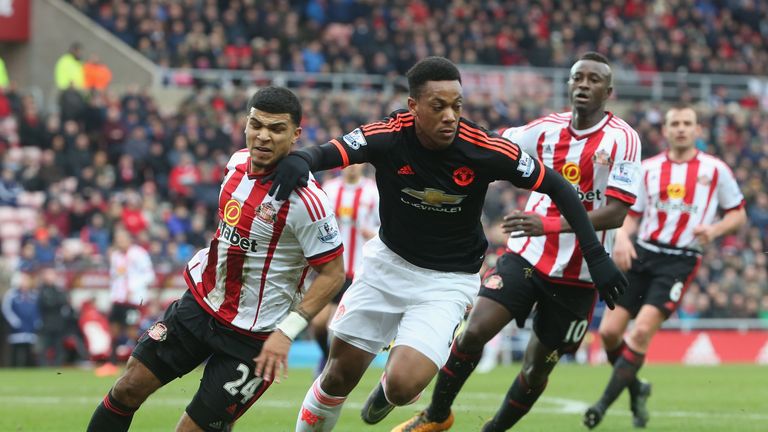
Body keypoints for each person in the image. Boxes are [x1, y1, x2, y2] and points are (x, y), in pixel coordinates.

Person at [263, 56, 628, 432]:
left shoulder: (483, 148)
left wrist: (595, 255)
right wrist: (302, 159)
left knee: (404, 386)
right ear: (414, 107)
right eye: (438, 107)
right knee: (338, 376)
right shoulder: (387, 134)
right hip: (387, 264)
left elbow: (558, 186)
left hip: (448, 280)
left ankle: (390, 390)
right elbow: (332, 151)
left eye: (457, 106)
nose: (450, 116)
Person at [394, 52, 642, 432]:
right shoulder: (543, 129)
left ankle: (493, 429)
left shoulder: (623, 139)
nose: (584, 85)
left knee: (535, 365)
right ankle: (436, 415)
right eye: (578, 78)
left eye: (594, 80)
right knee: (474, 330)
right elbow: (489, 144)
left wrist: (548, 223)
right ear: (569, 83)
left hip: (579, 275)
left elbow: (616, 213)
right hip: (527, 255)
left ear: (608, 91)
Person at [86, 86, 345, 432]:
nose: (263, 136)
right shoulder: (236, 163)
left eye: (277, 128)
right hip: (199, 307)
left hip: (254, 338)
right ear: (245, 124)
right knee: (127, 388)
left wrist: (288, 331)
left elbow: (333, 274)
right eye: (256, 125)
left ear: (296, 135)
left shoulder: (308, 202)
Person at [583, 104, 747, 429]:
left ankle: (601, 407)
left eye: (688, 123)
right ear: (666, 130)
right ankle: (637, 389)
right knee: (610, 333)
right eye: (676, 124)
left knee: (641, 332)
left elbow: (738, 214)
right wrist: (624, 241)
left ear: (697, 130)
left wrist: (713, 231)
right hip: (642, 253)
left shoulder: (715, 170)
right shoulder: (649, 168)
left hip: (680, 260)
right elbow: (630, 215)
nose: (682, 129)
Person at [309, 164, 379, 375]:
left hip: (359, 271)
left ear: (363, 164)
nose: (352, 167)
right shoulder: (329, 189)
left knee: (345, 327)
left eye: (356, 163)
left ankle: (339, 367)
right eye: (348, 163)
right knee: (319, 324)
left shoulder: (372, 191)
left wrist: (374, 233)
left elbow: (387, 226)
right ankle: (327, 358)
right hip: (330, 267)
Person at [95, 227, 155, 377]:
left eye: (122, 238)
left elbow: (149, 275)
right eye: (117, 238)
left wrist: (133, 288)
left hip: (133, 300)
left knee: (132, 332)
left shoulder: (139, 254)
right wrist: (113, 295)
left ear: (129, 239)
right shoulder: (115, 256)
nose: (119, 241)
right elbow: (115, 277)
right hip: (118, 299)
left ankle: (142, 363)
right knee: (113, 330)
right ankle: (112, 363)